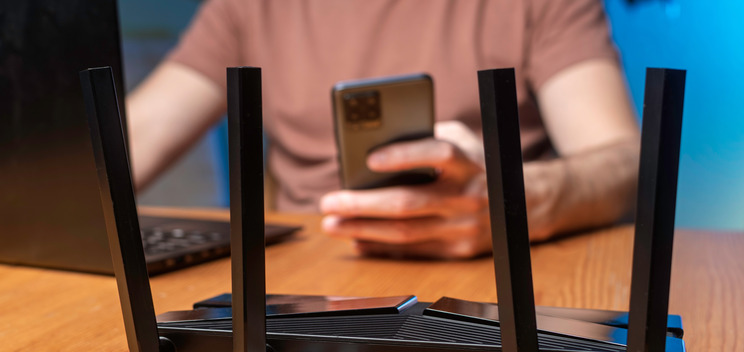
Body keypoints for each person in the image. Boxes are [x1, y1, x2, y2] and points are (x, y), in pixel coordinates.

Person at [128, 0, 640, 259]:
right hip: (301, 283)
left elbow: (628, 165)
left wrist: (519, 199)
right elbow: (137, 133)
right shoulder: (247, 6)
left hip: (488, 276)